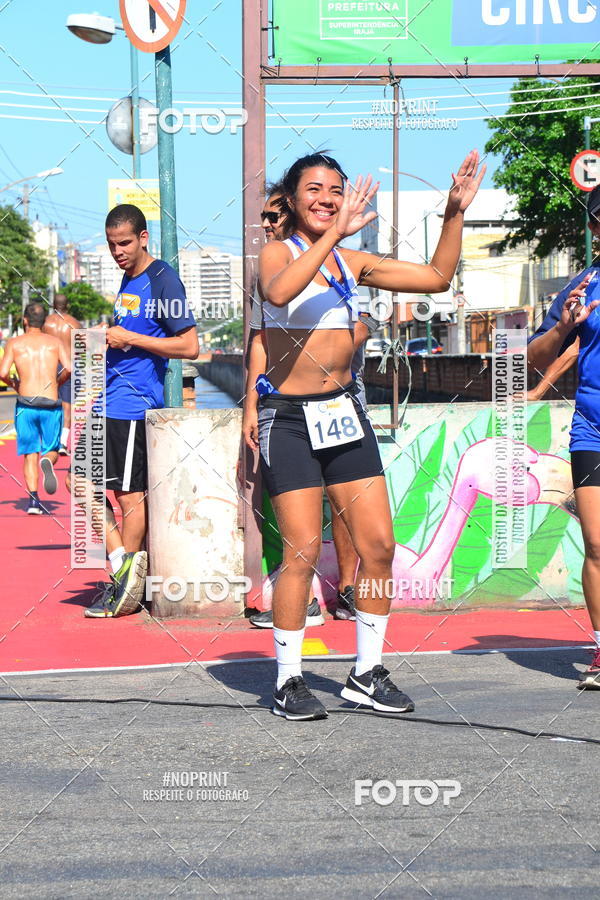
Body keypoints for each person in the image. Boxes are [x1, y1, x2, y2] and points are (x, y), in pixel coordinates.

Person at [256, 150, 485, 720]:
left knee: (379, 546)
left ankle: (365, 672)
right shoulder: (277, 253)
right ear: (292, 199)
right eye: (314, 189)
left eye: (336, 190)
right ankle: (288, 680)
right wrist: (334, 234)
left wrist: (453, 213)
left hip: (342, 413)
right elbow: (279, 294)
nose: (327, 198)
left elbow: (436, 279)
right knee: (303, 550)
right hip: (288, 417)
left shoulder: (349, 261)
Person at [243, 184, 375, 628]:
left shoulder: (342, 261)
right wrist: (251, 404)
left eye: (274, 216)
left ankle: (348, 588)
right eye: (265, 217)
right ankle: (304, 597)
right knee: (295, 509)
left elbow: (362, 325)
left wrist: (322, 344)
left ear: (294, 215)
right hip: (286, 403)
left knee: (344, 502)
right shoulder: (271, 268)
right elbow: (261, 340)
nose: (267, 224)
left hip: (342, 396)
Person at [79, 203, 199, 618]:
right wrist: (105, 338)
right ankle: (123, 568)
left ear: (143, 238)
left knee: (129, 495)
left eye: (125, 243)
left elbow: (189, 345)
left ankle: (126, 586)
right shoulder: (128, 278)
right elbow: (130, 334)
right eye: (112, 244)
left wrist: (130, 338)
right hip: (108, 401)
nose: (118, 252)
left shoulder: (162, 278)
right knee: (82, 483)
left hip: (133, 405)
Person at [527, 184, 600, 689]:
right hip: (591, 427)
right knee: (596, 543)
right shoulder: (583, 285)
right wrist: (564, 327)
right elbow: (533, 355)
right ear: (594, 227)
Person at [0, 301, 70, 515]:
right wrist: (57, 382)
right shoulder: (54, 342)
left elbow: (3, 373)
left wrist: (15, 384)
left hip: (25, 404)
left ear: (25, 320)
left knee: (30, 453)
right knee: (52, 449)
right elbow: (69, 368)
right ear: (44, 321)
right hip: (51, 403)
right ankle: (47, 461)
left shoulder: (14, 343)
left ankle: (33, 501)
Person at [43, 292, 82, 455]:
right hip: (69, 366)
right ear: (68, 306)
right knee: (67, 406)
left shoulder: (45, 322)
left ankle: (49, 440)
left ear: (53, 305)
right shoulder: (74, 323)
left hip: (50, 365)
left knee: (49, 403)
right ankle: (62, 443)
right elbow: (83, 348)